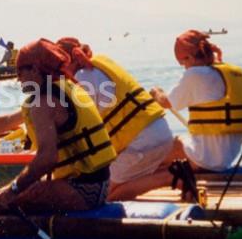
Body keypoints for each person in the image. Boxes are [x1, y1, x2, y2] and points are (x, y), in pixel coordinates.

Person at [0, 38, 116, 215]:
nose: (18, 78)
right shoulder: (63, 86)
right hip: (100, 184)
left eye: (20, 71)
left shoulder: (44, 103)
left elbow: (47, 158)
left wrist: (13, 189)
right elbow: (7, 121)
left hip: (85, 190)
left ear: (35, 69)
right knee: (8, 195)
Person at [56, 37, 183, 200]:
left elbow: (78, 121)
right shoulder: (101, 62)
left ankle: (170, 177)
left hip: (142, 142)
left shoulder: (83, 79)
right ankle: (174, 172)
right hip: (159, 131)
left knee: (105, 195)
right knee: (123, 177)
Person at [151, 29, 242, 172]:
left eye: (182, 63)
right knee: (177, 145)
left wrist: (156, 93)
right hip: (229, 155)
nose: (184, 67)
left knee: (153, 155)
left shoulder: (195, 74)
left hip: (207, 158)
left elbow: (167, 103)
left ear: (190, 57)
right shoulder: (230, 72)